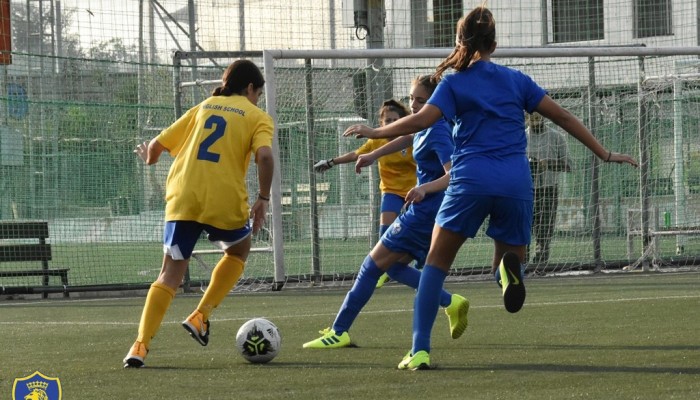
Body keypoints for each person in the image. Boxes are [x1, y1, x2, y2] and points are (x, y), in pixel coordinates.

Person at [343, 6, 638, 370]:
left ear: (459, 42)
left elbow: (420, 120)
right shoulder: (517, 80)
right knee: (508, 259)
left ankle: (420, 350)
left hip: (470, 181)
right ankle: (506, 272)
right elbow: (562, 116)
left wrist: (374, 132)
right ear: (494, 45)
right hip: (515, 181)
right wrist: (604, 153)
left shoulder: (453, 83)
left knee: (435, 265)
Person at [123, 60, 274, 368]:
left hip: (183, 197)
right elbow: (266, 156)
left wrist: (149, 160)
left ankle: (139, 347)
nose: (258, 98)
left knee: (170, 274)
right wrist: (263, 198)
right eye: (258, 93)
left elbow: (155, 146)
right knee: (239, 250)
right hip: (223, 198)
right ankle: (200, 315)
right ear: (249, 89)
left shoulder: (203, 106)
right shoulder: (257, 116)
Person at [303, 75, 468, 349]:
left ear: (436, 102)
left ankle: (339, 331)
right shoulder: (426, 125)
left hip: (425, 211)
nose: (414, 105)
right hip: (425, 210)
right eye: (412, 98)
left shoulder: (438, 131)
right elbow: (407, 138)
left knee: (372, 265)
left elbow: (455, 175)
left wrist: (425, 188)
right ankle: (450, 302)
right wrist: (372, 155)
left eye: (421, 100)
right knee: (392, 266)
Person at [314, 99, 416, 287]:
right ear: (381, 124)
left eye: (395, 120)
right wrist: (330, 162)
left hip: (414, 193)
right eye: (388, 121)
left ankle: (400, 268)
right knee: (385, 236)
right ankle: (385, 269)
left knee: (419, 239)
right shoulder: (376, 141)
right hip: (391, 193)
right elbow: (355, 155)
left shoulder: (412, 138)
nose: (392, 124)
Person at [526, 112, 571, 265]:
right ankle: (522, 262)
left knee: (544, 231)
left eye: (537, 116)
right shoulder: (520, 138)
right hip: (525, 190)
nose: (534, 120)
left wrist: (547, 164)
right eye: (530, 117)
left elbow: (568, 165)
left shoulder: (557, 137)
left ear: (543, 116)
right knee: (523, 228)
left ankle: (540, 264)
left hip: (548, 189)